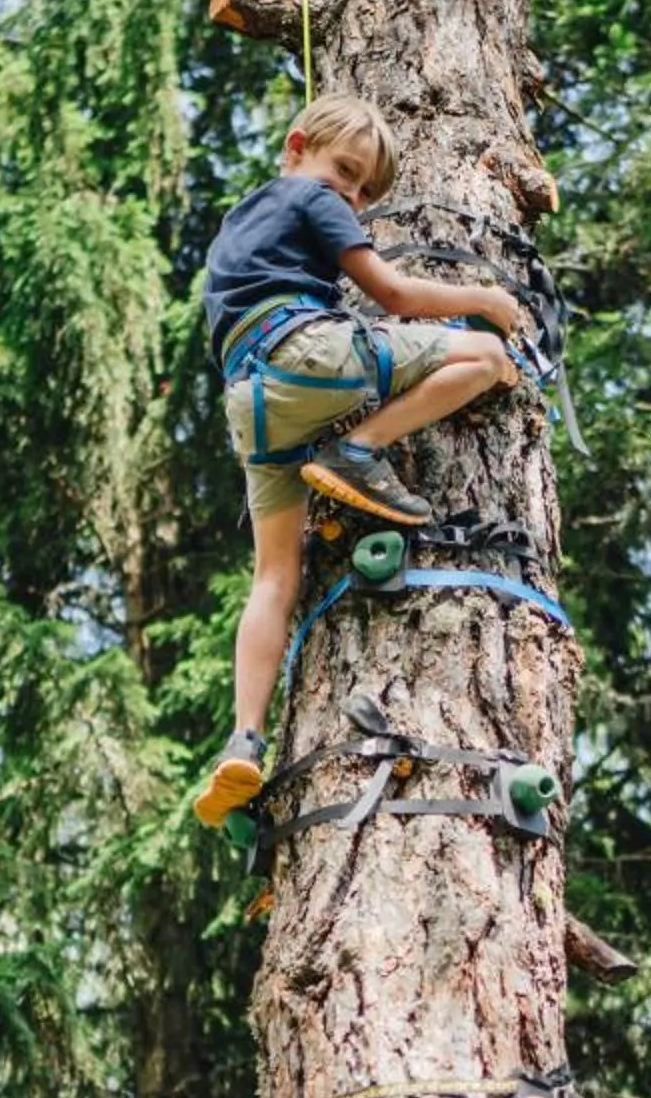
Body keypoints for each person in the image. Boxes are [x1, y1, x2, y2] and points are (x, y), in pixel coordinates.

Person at [191, 92, 531, 828]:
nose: (353, 194)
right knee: (488, 358)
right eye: (346, 171)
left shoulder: (239, 224)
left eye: (367, 190)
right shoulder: (314, 199)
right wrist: (487, 298)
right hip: (306, 357)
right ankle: (360, 447)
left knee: (274, 576)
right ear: (297, 145)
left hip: (250, 401)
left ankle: (244, 737)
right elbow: (394, 293)